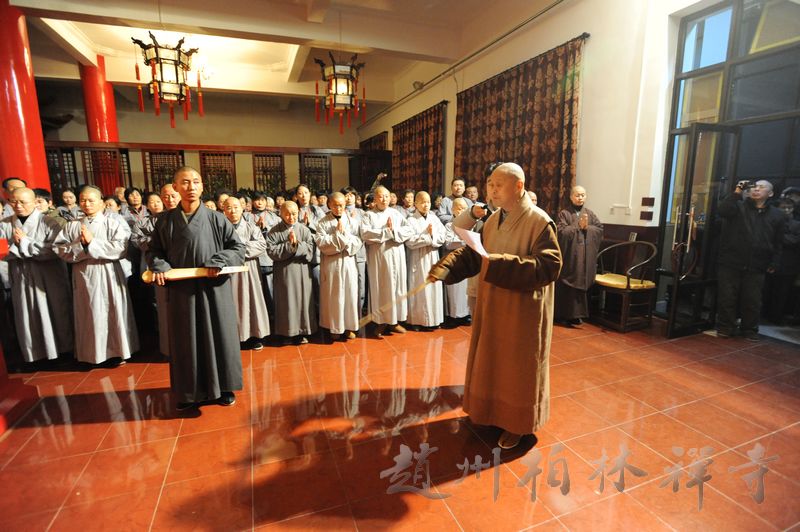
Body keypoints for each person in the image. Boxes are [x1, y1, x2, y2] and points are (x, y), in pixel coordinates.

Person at [428, 163, 562, 449]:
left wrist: (499, 263)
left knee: (517, 367)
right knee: (492, 360)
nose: (492, 190)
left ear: (519, 186)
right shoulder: (492, 220)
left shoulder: (539, 221)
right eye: (490, 184)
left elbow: (549, 266)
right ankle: (490, 412)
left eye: (499, 185)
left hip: (523, 311)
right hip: (493, 303)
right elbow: (478, 254)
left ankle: (518, 424)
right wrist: (447, 267)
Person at [147, 167, 246, 410]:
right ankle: (188, 391)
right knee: (186, 339)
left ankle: (223, 388)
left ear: (202, 186)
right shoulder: (165, 221)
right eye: (185, 182)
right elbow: (154, 251)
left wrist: (219, 260)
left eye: (196, 182)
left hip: (214, 287)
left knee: (219, 335)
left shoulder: (216, 218)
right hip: (182, 291)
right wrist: (160, 265)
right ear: (175, 187)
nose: (191, 187)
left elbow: (237, 248)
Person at [54, 185, 139, 367]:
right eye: (83, 200)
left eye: (91, 200)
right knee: (89, 312)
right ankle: (92, 354)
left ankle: (117, 352)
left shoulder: (112, 223)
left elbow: (121, 248)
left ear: (101, 203)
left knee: (112, 310)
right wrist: (81, 246)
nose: (87, 204)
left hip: (109, 273)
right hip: (84, 274)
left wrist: (92, 243)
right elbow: (60, 249)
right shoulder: (73, 226)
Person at [1, 187, 73, 365]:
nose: (18, 206)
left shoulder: (49, 222)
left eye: (23, 202)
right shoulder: (5, 224)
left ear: (35, 202)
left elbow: (55, 250)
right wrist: (16, 245)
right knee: (27, 313)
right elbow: (2, 251)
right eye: (13, 202)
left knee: (56, 311)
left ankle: (63, 351)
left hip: (48, 276)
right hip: (21, 276)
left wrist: (25, 243)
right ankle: (35, 354)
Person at [716, 179, 784, 340]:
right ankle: (725, 327)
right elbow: (723, 210)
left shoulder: (777, 215)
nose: (756, 189)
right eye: (754, 187)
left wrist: (774, 262)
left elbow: (778, 241)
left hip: (758, 263)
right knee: (727, 296)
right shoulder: (738, 207)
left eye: (762, 187)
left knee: (752, 299)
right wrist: (738, 191)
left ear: (770, 193)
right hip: (731, 259)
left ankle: (750, 330)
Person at [360, 186, 414, 338]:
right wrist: (386, 232)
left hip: (396, 256)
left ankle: (394, 321)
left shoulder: (396, 213)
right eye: (380, 196)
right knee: (381, 288)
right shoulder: (368, 215)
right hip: (379, 258)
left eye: (386, 196)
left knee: (396, 288)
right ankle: (381, 322)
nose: (383, 199)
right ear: (375, 199)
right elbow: (365, 233)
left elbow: (409, 230)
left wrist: (394, 231)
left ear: (390, 198)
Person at [222, 197, 271, 349]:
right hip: (228, 272)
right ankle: (234, 337)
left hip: (249, 270)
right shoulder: (220, 228)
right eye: (229, 208)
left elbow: (261, 245)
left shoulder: (251, 227)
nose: (233, 211)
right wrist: (237, 250)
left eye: (236, 207)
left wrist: (236, 249)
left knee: (251, 301)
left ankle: (255, 335)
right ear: (224, 211)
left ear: (242, 208)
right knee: (232, 304)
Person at [267, 201, 317, 345]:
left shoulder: (304, 230)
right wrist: (290, 246)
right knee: (286, 302)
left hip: (302, 271)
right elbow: (271, 251)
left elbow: (311, 249)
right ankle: (286, 333)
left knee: (303, 301)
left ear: (299, 212)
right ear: (281, 214)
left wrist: (296, 245)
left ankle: (303, 331)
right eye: (287, 214)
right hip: (284, 272)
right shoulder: (274, 231)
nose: (291, 217)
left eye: (294, 213)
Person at [315, 192, 362, 340]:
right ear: (329, 204)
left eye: (341, 205)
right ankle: (335, 327)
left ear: (345, 204)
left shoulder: (352, 221)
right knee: (334, 296)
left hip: (348, 263)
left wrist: (344, 236)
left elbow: (358, 241)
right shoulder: (322, 223)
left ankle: (348, 326)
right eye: (335, 205)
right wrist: (338, 235)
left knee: (349, 294)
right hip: (332, 264)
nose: (338, 208)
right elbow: (321, 243)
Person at [555, 185, 603, 327]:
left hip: (584, 257)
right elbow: (561, 232)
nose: (580, 198)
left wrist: (587, 227)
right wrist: (578, 226)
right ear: (571, 197)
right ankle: (562, 315)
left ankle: (576, 316)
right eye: (577, 195)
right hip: (571, 256)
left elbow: (599, 230)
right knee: (567, 286)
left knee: (581, 283)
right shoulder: (564, 214)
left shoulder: (590, 214)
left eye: (582, 195)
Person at [405, 191, 446, 330]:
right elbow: (410, 241)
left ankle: (434, 320)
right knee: (419, 289)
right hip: (418, 258)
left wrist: (432, 237)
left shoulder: (434, 218)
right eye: (422, 202)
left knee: (433, 288)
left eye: (428, 202)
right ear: (416, 204)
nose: (426, 205)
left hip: (432, 256)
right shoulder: (411, 220)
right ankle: (417, 321)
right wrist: (427, 237)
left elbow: (442, 236)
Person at [764, 197, 800, 325]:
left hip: (788, 264)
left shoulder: (797, 224)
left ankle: (776, 317)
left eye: (789, 208)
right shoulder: (771, 220)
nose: (787, 210)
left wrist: (777, 237)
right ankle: (763, 315)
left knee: (782, 293)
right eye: (783, 207)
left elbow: (794, 241)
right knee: (766, 291)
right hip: (770, 260)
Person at [442, 198, 471, 325]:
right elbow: (448, 243)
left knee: (466, 289)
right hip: (454, 260)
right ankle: (454, 316)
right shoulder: (449, 225)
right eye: (459, 208)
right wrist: (465, 242)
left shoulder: (471, 224)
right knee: (454, 289)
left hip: (467, 260)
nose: (462, 211)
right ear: (453, 210)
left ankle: (466, 314)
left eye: (464, 208)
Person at [342, 186, 367, 313]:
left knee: (361, 281)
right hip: (345, 253)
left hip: (360, 252)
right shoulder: (339, 213)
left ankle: (359, 310)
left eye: (351, 195)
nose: (349, 197)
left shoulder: (362, 213)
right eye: (346, 195)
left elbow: (365, 232)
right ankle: (348, 311)